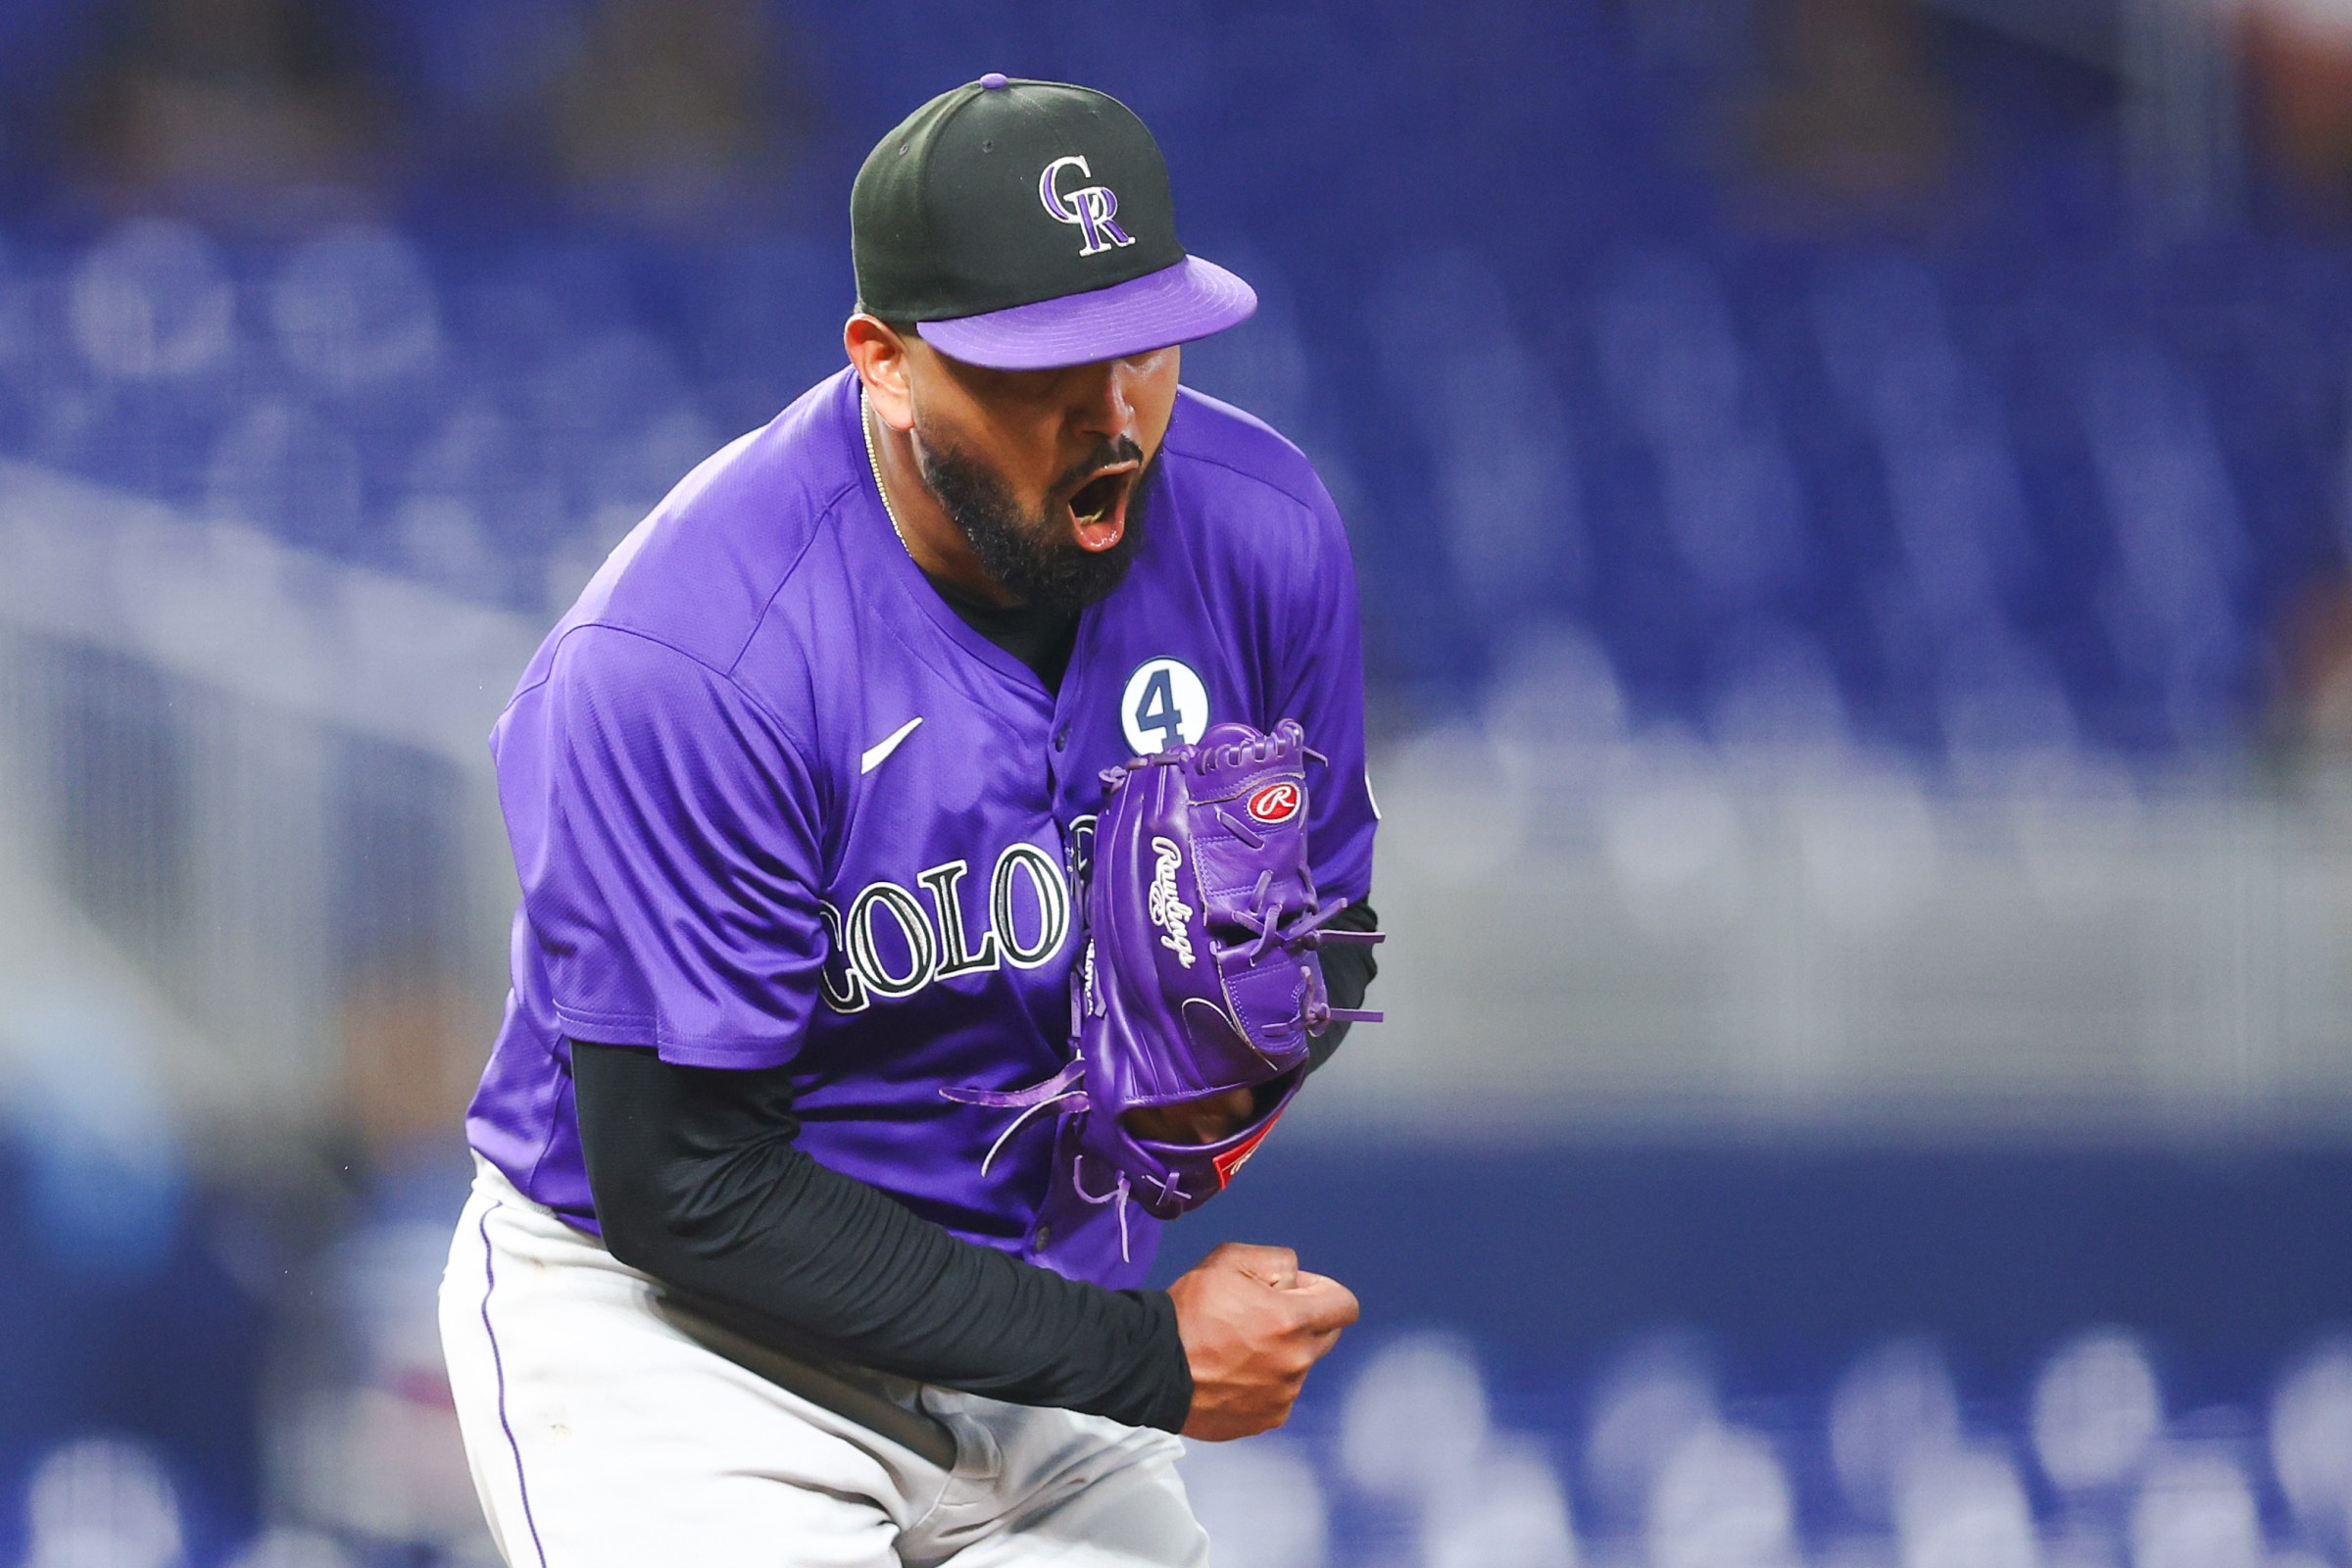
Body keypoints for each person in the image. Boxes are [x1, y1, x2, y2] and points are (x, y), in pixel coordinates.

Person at [439, 74, 1379, 1566]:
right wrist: (1144, 1360)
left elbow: (1325, 943)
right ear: (883, 360)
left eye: (1145, 349)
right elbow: (690, 1186)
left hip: (1025, 1298)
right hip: (683, 1350)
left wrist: (1234, 1078)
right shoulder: (694, 659)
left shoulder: (1262, 534)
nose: (1113, 417)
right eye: (1040, 373)